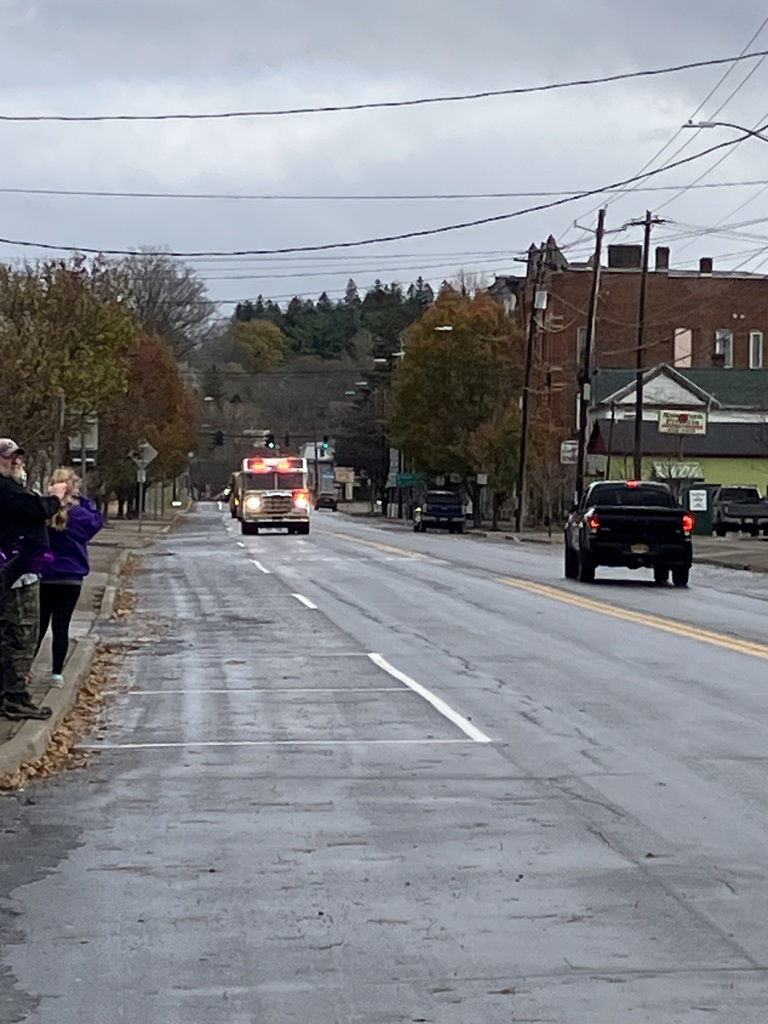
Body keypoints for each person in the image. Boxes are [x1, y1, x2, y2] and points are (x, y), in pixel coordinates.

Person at [0, 438, 67, 721]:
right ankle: (15, 698)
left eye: (18, 457)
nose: (16, 461)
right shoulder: (5, 489)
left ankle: (8, 695)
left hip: (21, 571)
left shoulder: (12, 487)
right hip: (15, 575)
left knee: (15, 635)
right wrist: (56, 498)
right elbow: (35, 509)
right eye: (8, 457)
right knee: (20, 634)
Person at [37, 467, 104, 687]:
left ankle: (25, 669)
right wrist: (82, 499)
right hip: (71, 577)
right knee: (61, 625)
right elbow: (97, 520)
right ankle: (56, 674)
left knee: (39, 625)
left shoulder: (44, 511)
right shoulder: (80, 514)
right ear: (72, 487)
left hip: (46, 575)